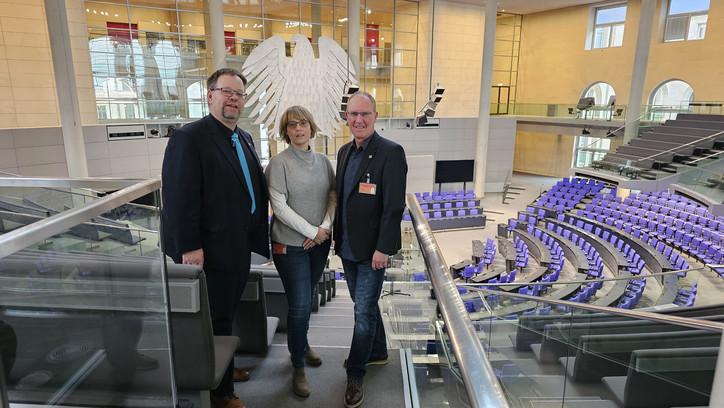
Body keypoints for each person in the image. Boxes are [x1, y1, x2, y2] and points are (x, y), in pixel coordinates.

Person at [161, 67, 269, 408]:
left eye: (239, 94)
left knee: (227, 311)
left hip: (237, 246)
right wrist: (190, 247)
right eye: (227, 92)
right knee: (216, 317)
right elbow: (179, 199)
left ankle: (224, 365)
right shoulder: (189, 138)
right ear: (210, 96)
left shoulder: (244, 137)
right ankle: (222, 392)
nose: (233, 98)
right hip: (208, 249)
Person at [333, 91, 408, 408]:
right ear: (346, 118)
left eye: (365, 114)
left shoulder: (391, 153)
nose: (359, 120)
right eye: (353, 114)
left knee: (362, 313)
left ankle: (355, 373)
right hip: (347, 248)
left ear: (375, 117)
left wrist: (383, 249)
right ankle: (377, 351)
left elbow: (393, 208)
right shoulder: (343, 152)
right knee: (365, 305)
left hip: (372, 252)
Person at [264, 105, 336, 397]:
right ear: (285, 132)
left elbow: (333, 195)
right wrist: (311, 231)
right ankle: (297, 366)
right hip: (289, 245)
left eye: (303, 122)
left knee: (306, 302)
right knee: (299, 304)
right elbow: (278, 207)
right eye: (291, 125)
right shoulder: (278, 163)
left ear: (311, 126)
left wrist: (324, 228)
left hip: (319, 243)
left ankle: (302, 344)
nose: (298, 128)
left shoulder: (323, 161)